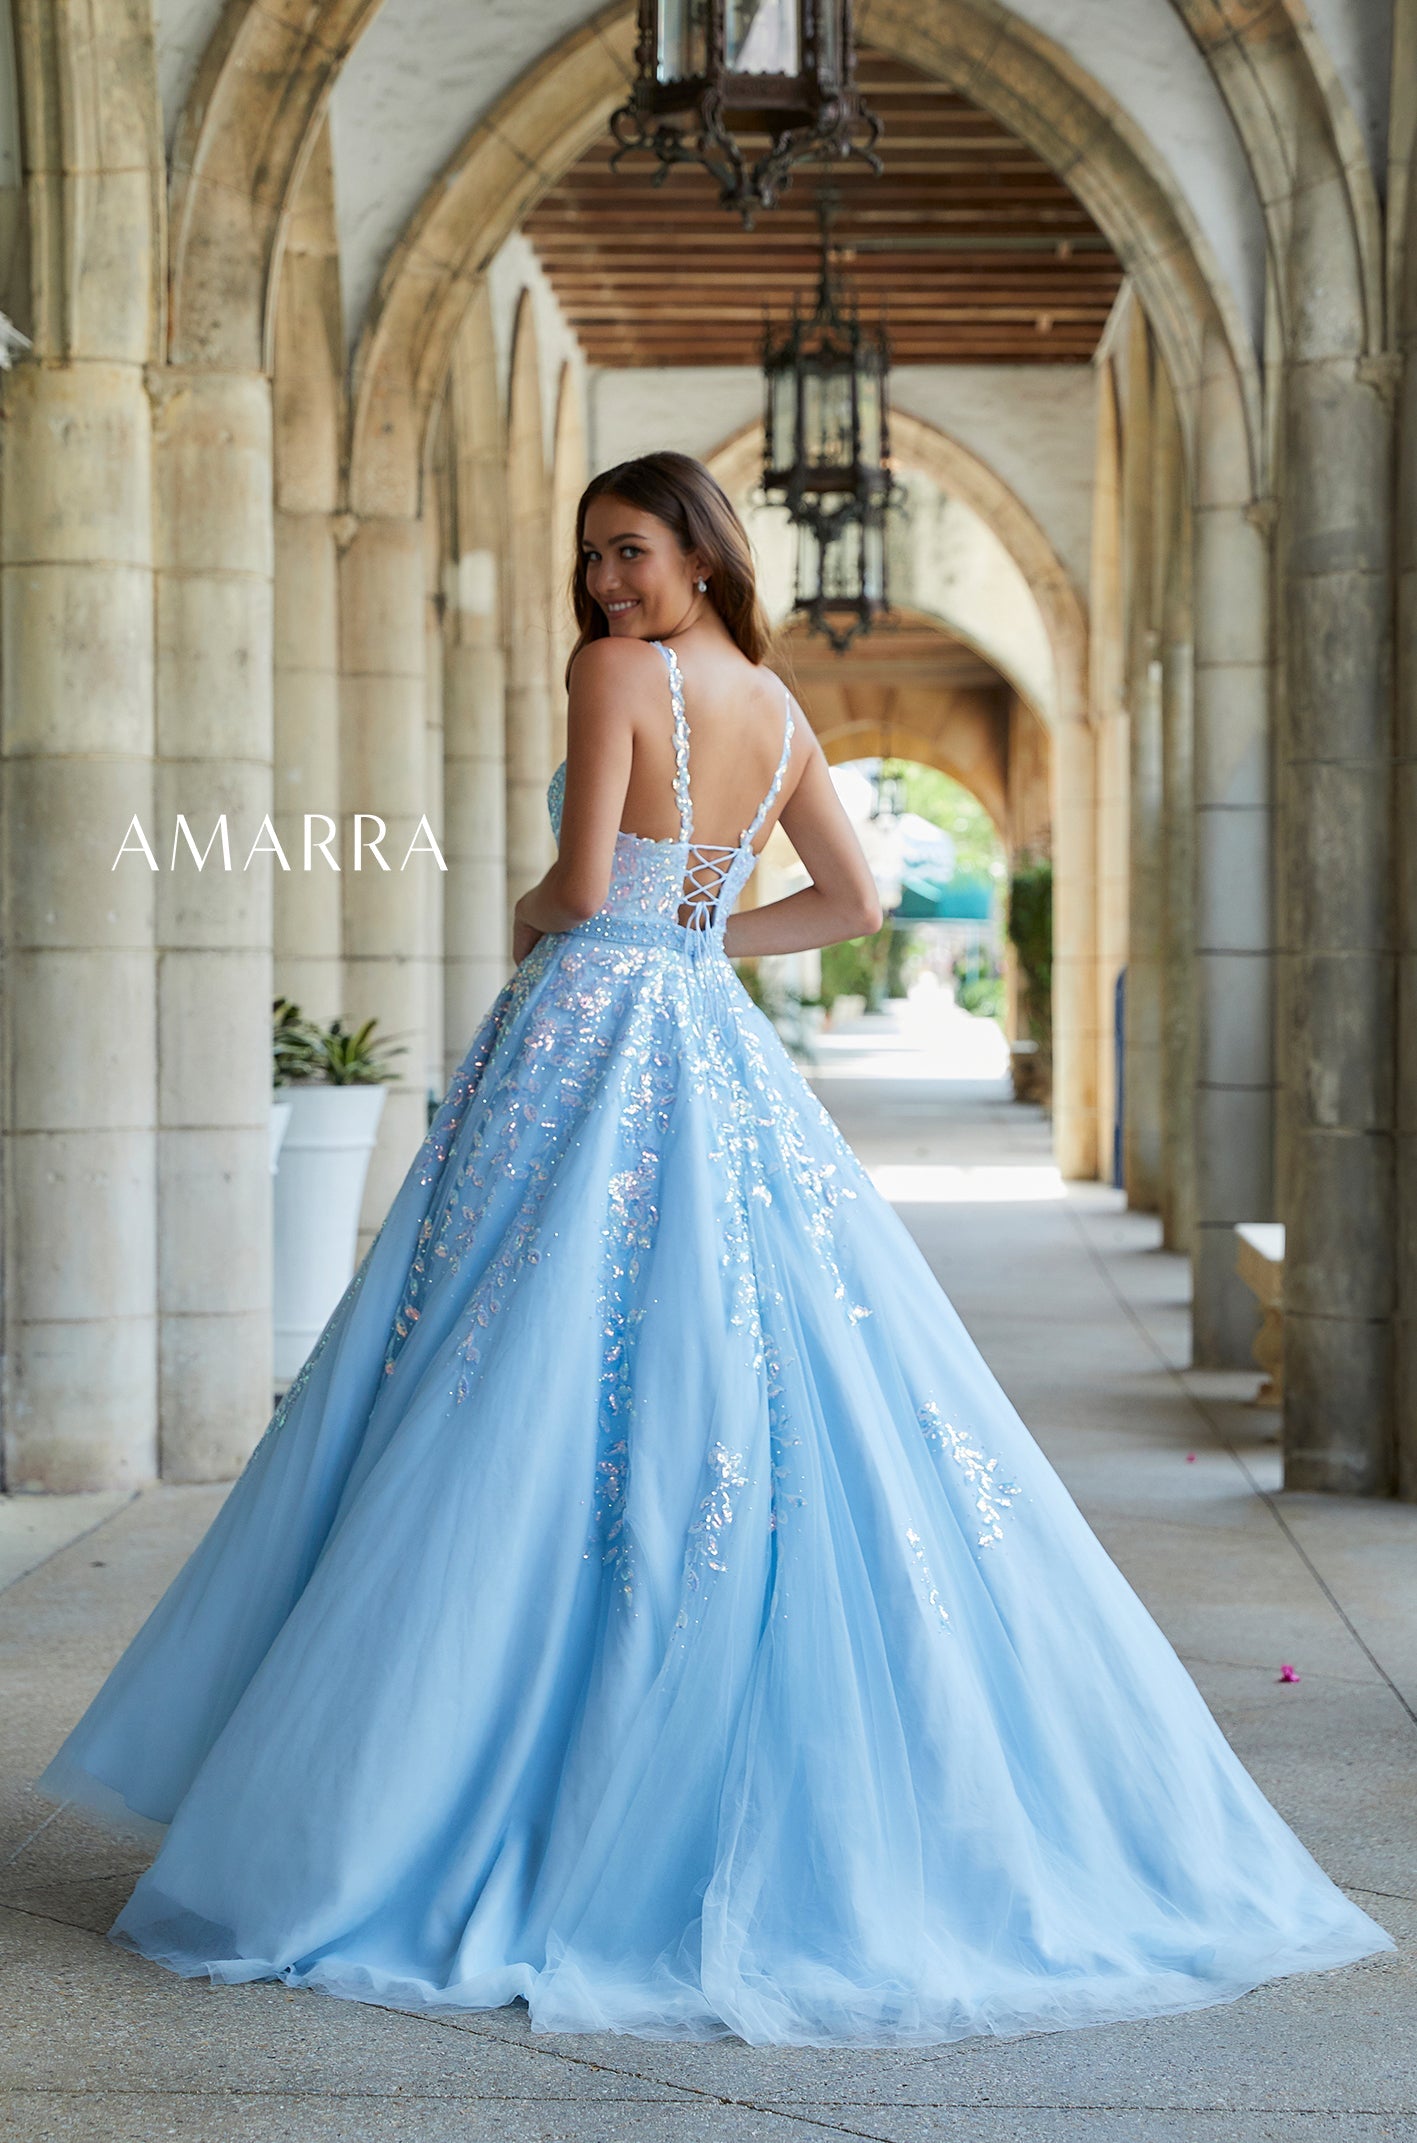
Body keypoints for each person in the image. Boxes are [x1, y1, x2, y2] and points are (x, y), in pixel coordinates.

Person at [35, 451, 1392, 2047]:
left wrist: (546, 921)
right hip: (700, 1034)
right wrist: (698, 937)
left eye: (628, 551)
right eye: (591, 558)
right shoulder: (774, 703)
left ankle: (434, 1781)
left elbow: (580, 880)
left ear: (699, 548)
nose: (605, 584)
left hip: (584, 1032)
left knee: (506, 1356)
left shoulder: (612, 675)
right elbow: (846, 902)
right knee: (710, 1353)